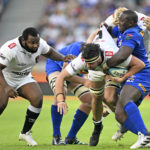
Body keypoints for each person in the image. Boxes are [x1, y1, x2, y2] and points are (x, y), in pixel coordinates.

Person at [54, 26, 145, 146]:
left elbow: (140, 64)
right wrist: (60, 99)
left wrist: (123, 77)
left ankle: (129, 124)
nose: (88, 66)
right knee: (96, 98)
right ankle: (97, 127)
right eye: (87, 63)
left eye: (91, 63)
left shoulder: (113, 54)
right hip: (98, 71)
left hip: (112, 66)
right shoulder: (82, 59)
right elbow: (61, 77)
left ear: (100, 58)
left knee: (111, 98)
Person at [0, 27, 73, 146]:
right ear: (23, 41)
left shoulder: (40, 44)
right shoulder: (10, 48)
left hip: (23, 77)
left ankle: (25, 133)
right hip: (5, 77)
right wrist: (7, 87)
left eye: (37, 43)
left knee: (37, 98)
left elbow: (50, 53)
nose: (35, 46)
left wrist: (63, 58)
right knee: (1, 105)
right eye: (32, 43)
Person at [104, 10, 150, 149]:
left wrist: (104, 65)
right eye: (119, 20)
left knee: (124, 101)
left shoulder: (132, 34)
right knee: (119, 114)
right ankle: (145, 135)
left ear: (131, 22)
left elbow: (122, 56)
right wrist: (104, 27)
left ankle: (145, 135)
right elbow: (109, 31)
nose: (119, 22)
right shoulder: (123, 30)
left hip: (142, 73)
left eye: (122, 21)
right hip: (134, 74)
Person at [46, 41, 92, 145]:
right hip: (56, 67)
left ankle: (71, 138)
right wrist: (84, 81)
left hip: (74, 71)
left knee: (90, 100)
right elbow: (64, 75)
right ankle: (56, 136)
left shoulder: (95, 53)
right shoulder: (75, 50)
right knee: (62, 91)